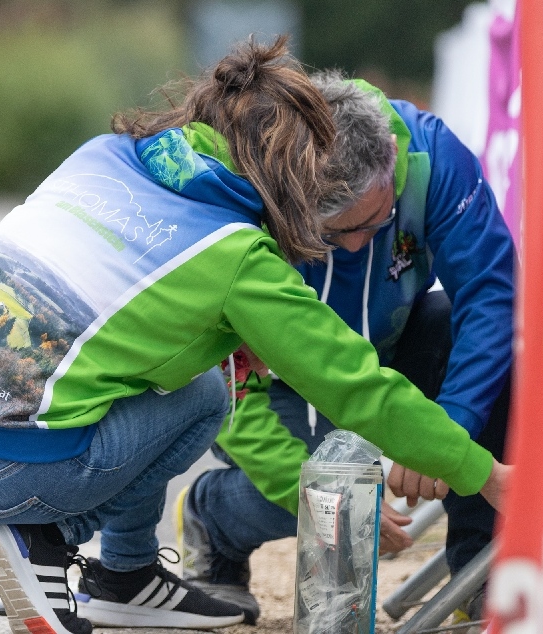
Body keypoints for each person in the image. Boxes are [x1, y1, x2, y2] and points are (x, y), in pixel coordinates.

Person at [0, 38, 509, 634]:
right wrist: (481, 471)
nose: (349, 249)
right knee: (206, 397)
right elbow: (355, 387)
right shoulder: (237, 257)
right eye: (334, 232)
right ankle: (44, 540)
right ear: (299, 189)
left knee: (153, 373)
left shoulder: (107, 153)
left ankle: (125, 578)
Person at [176, 69, 516, 625]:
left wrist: (451, 432)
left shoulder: (433, 156)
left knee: (481, 348)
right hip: (282, 373)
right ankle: (213, 517)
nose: (356, 246)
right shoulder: (253, 185)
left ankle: (480, 577)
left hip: (389, 345)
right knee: (338, 496)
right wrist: (317, 502)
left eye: (374, 223)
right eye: (332, 235)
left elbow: (490, 297)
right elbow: (222, 375)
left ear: (392, 162)